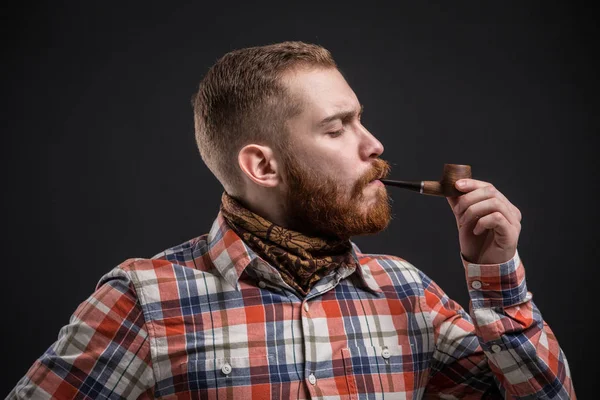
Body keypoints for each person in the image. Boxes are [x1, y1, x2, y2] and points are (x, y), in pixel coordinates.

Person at [8, 41, 575, 399]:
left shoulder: (408, 294)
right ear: (262, 165)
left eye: (362, 121)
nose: (374, 146)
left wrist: (497, 280)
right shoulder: (144, 302)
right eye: (337, 128)